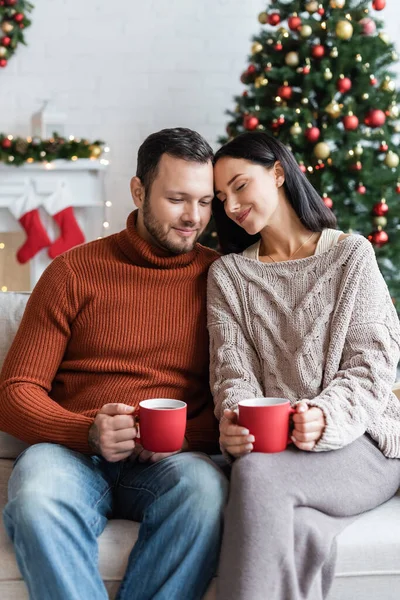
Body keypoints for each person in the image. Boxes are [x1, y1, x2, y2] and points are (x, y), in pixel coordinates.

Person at [0, 127, 228, 600]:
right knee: (36, 496)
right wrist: (85, 430)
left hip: (170, 461)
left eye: (205, 202)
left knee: (205, 493)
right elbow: (14, 392)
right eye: (177, 199)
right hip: (71, 453)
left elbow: (240, 393)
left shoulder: (222, 279)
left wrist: (185, 436)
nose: (193, 217)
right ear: (138, 190)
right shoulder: (71, 271)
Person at [207, 131, 400, 600]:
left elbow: (373, 364)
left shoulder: (350, 254)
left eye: (239, 185)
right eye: (220, 197)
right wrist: (234, 420)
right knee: (301, 528)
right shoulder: (229, 275)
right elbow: (233, 373)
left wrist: (326, 416)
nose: (230, 205)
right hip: (279, 448)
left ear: (277, 172)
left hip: (364, 443)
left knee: (254, 476)